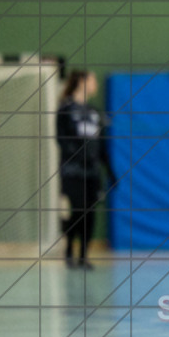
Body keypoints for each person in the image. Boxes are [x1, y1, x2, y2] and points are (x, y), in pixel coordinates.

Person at [56, 69, 113, 270]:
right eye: (92, 79)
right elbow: (62, 140)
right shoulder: (66, 110)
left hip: (92, 173)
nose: (95, 84)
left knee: (90, 213)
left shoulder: (95, 112)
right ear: (81, 81)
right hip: (73, 171)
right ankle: (70, 250)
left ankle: (84, 256)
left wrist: (110, 171)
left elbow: (102, 145)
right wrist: (80, 156)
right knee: (77, 210)